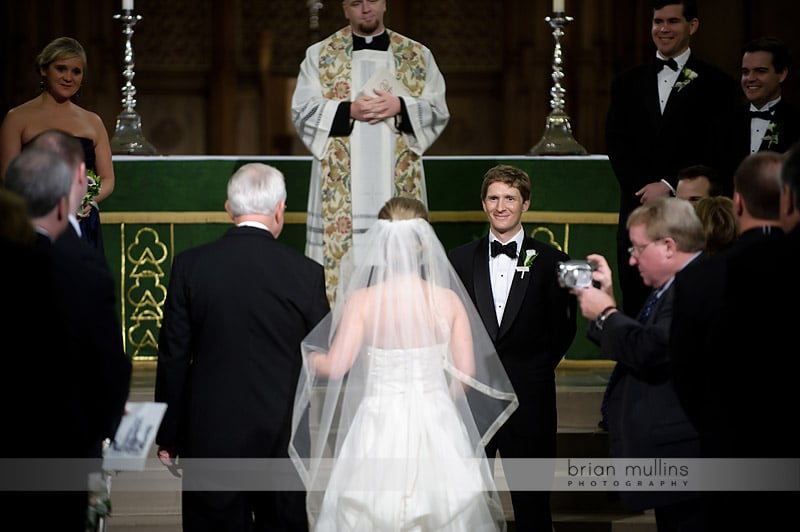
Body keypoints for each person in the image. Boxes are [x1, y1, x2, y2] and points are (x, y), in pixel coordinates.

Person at [288, 197, 518, 531]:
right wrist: (437, 397)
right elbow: (466, 373)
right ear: (426, 245)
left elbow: (336, 366)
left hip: (378, 418)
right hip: (435, 416)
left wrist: (309, 356)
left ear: (381, 246)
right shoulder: (448, 300)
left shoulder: (363, 301)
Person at [155, 163, 330, 531]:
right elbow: (322, 353)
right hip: (282, 433)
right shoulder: (306, 273)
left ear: (228, 208)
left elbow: (173, 355)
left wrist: (168, 434)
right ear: (280, 209)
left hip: (209, 433)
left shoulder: (190, 266)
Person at [2, 148, 129, 531]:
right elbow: (108, 364)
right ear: (62, 204)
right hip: (63, 443)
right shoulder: (85, 270)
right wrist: (111, 424)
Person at [292, 0, 450, 303]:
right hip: (340, 193)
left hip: (396, 186)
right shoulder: (321, 55)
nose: (366, 9)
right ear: (344, 9)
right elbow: (302, 111)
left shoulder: (416, 55)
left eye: (373, 1)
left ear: (385, 3)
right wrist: (349, 109)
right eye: (356, 3)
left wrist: (401, 106)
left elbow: (437, 109)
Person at [670, 149, 795, 531]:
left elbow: (685, 373)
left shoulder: (698, 278)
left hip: (727, 446)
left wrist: (715, 425)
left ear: (737, 202)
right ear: (789, 197)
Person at [448, 164, 577, 531]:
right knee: (470, 498)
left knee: (533, 502)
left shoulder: (554, 260)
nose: (501, 206)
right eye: (493, 198)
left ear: (526, 204)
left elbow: (565, 326)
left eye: (509, 198)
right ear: (483, 203)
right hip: (474, 399)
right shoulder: (458, 259)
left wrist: (534, 367)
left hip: (531, 397)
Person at [573, 197, 706, 532]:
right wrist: (610, 304)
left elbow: (653, 351)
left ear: (668, 246)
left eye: (637, 248)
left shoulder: (695, 287)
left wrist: (606, 313)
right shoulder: (672, 286)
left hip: (688, 455)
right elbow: (641, 346)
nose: (631, 260)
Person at [605, 0, 737, 316]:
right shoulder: (626, 82)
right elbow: (617, 143)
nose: (663, 29)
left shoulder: (717, 84)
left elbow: (716, 145)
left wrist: (668, 184)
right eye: (658, 22)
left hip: (692, 210)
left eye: (673, 22)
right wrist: (643, 187)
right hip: (638, 205)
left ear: (692, 26)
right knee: (637, 288)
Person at [0, 36, 115, 253]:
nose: (68, 77)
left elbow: (108, 179)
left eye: (76, 71)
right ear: (44, 70)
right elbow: (8, 176)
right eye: (61, 69)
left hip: (83, 222)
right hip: (34, 221)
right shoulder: (17, 118)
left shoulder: (93, 121)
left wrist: (85, 199)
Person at [710, 36, 800, 189]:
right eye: (745, 72)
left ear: (782, 74)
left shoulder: (796, 121)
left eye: (760, 71)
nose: (750, 78)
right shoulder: (723, 123)